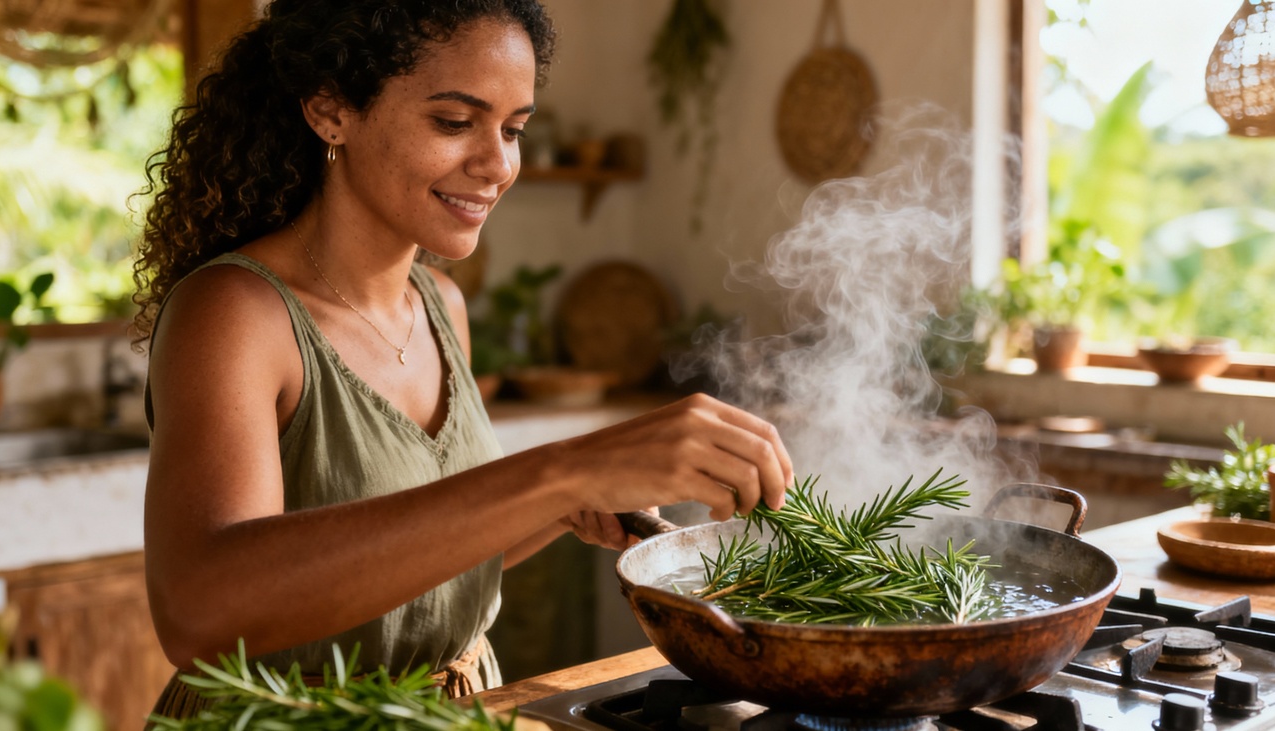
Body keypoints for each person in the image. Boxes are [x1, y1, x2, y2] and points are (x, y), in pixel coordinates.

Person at [133, 0, 793, 717]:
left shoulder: (439, 303)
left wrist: (560, 499)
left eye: (513, 129)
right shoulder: (236, 312)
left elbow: (428, 559)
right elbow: (199, 610)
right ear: (330, 110)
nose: (497, 163)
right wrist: (560, 468)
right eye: (454, 122)